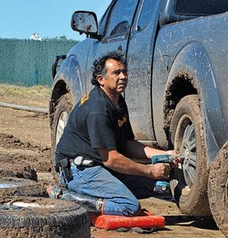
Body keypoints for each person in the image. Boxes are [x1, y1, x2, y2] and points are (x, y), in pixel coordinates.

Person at [54, 52, 181, 216]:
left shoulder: (117, 100)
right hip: (78, 170)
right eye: (116, 73)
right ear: (101, 79)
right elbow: (111, 159)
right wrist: (149, 170)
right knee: (129, 206)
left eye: (124, 72)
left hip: (99, 165)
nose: (123, 77)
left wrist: (164, 154)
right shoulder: (98, 109)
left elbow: (129, 144)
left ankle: (96, 192)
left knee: (160, 187)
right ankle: (69, 199)